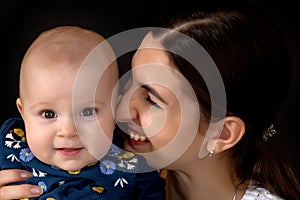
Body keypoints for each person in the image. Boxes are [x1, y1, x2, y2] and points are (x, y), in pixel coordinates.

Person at [115, 6, 300, 200]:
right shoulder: (113, 180)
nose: (120, 112)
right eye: (129, 81)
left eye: (151, 101)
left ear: (222, 133)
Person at [0, 26, 166, 199]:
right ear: (23, 112)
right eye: (48, 114)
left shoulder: (134, 174)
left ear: (113, 110)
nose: (69, 131)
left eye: (87, 112)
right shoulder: (11, 145)